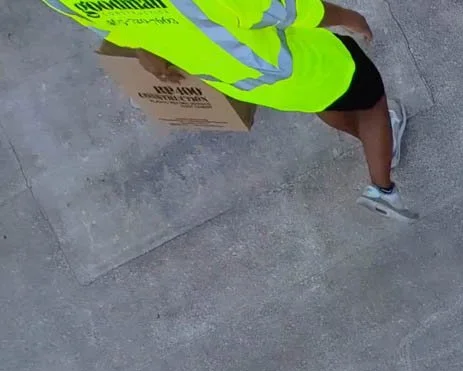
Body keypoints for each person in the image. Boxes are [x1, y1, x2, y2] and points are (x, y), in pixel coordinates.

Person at [40, 0, 416, 220]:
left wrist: (143, 45)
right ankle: (382, 189)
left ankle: (377, 144)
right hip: (293, 60)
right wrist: (348, 17)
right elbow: (279, 8)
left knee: (322, 102)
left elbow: (105, 20)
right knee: (372, 102)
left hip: (236, 76)